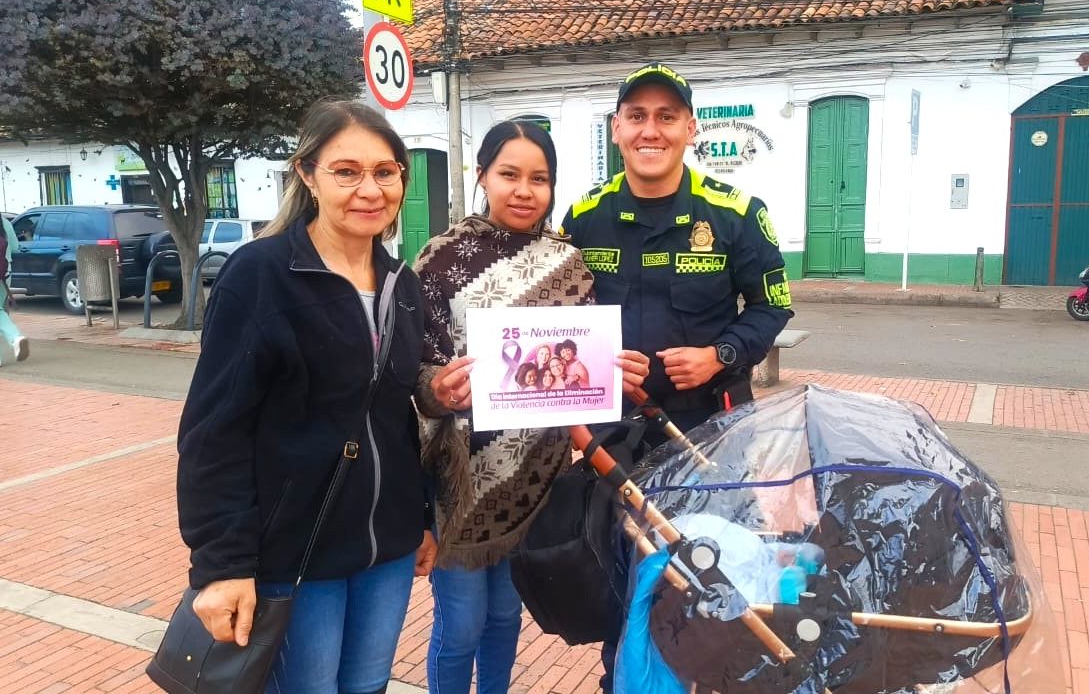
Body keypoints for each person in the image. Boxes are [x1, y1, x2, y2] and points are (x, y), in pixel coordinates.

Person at [176, 99, 436, 694]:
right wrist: (221, 566)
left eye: (385, 171)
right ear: (307, 173)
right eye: (346, 171)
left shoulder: (403, 284)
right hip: (296, 553)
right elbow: (215, 432)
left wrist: (421, 518)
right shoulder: (260, 277)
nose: (369, 189)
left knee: (368, 686)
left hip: (386, 553)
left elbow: (394, 417)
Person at [559, 62, 794, 694]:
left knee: (707, 580)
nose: (651, 130)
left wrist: (720, 353)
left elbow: (774, 305)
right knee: (620, 580)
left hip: (709, 438)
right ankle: (624, 680)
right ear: (616, 129)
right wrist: (600, 363)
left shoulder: (736, 213)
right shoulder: (584, 219)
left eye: (667, 117)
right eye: (637, 117)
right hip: (613, 444)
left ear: (691, 128)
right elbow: (562, 322)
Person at [412, 119, 649, 694]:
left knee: (504, 618)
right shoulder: (440, 260)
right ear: (482, 176)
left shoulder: (568, 264)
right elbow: (412, 367)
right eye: (509, 174)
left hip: (536, 477)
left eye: (539, 179)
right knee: (462, 622)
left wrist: (619, 376)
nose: (524, 190)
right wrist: (437, 388)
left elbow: (582, 371)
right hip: (460, 479)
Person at [0, 215, 30, 366]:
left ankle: (15, 338)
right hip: (4, 274)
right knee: (0, 311)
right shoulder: (4, 222)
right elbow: (14, 246)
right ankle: (15, 338)